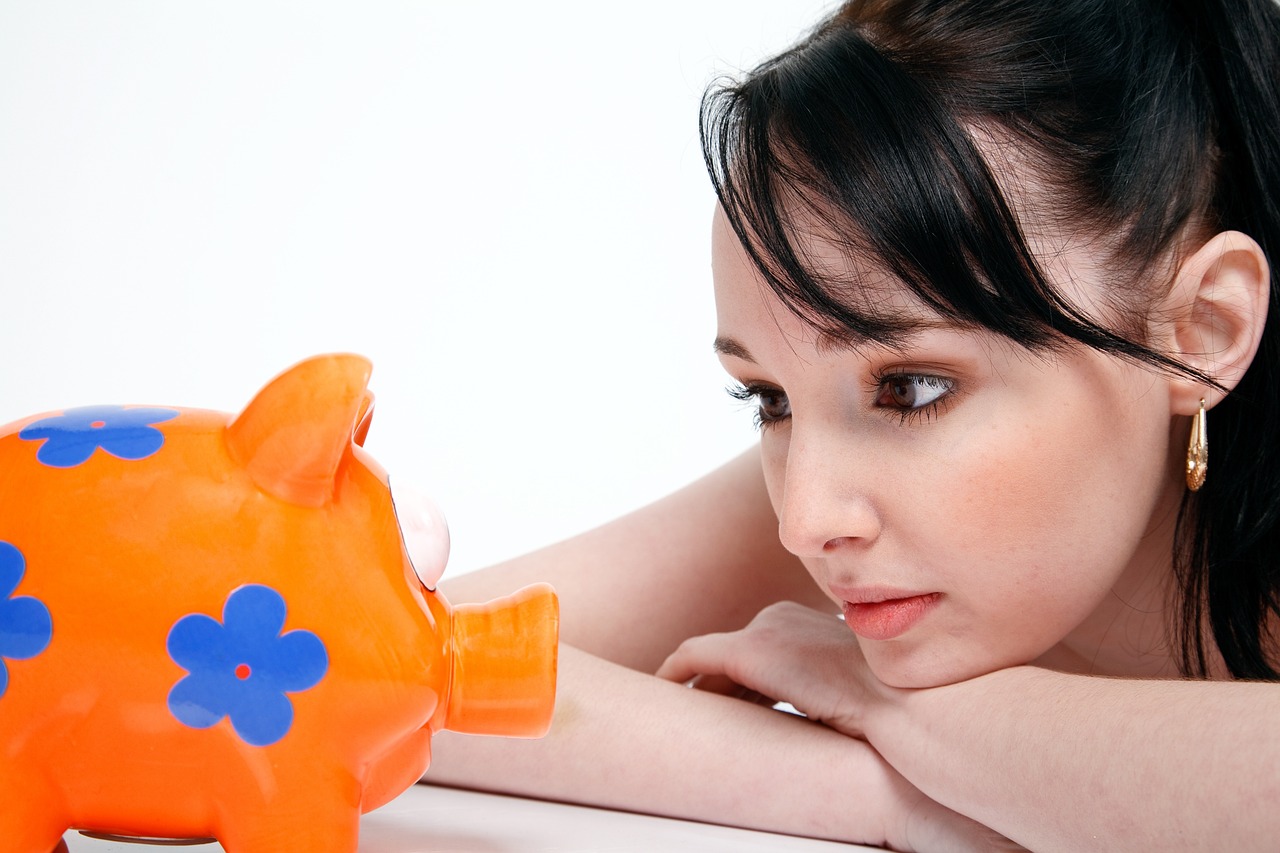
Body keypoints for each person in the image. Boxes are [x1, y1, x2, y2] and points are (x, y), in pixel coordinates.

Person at [423, 0, 1280, 849]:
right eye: (770, 399)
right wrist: (869, 792)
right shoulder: (842, 483)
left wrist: (892, 708)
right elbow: (382, 663)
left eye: (909, 389)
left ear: (1202, 330)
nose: (805, 522)